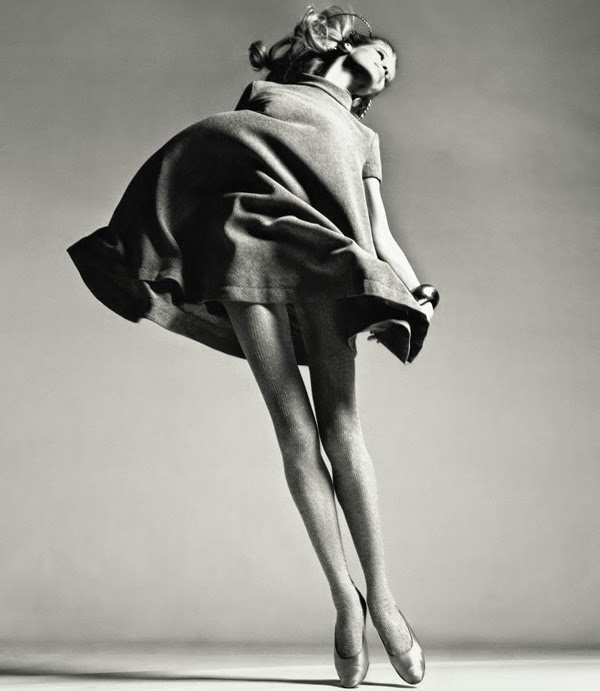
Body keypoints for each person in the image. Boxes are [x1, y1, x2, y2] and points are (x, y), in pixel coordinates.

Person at [67, 5, 440, 687]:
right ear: (343, 44)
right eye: (382, 52)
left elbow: (378, 230)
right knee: (293, 428)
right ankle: (345, 601)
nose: (390, 66)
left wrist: (415, 290)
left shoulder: (363, 136)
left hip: (325, 258)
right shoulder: (267, 97)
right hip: (242, 249)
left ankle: (384, 601)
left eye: (392, 70)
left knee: (342, 425)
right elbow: (221, 157)